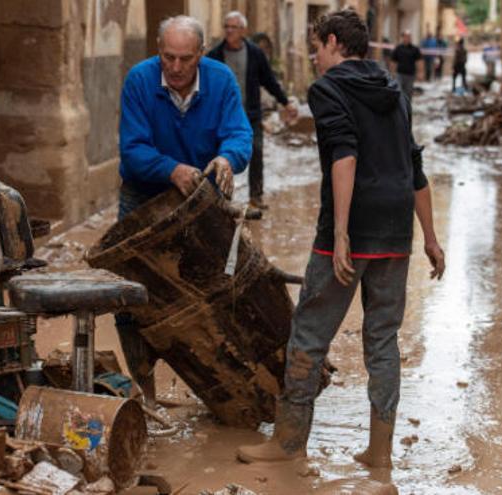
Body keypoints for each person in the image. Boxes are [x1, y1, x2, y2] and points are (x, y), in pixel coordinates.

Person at [236, 9, 445, 467]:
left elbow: (344, 156)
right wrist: (430, 236)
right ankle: (380, 453)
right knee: (383, 340)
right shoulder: (393, 88)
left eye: (316, 47)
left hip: (350, 228)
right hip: (395, 230)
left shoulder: (328, 89)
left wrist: (342, 233)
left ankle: (288, 443)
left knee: (309, 334)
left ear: (334, 42)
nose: (313, 57)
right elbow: (414, 165)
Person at [118, 15, 252, 405]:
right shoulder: (140, 80)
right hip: (143, 197)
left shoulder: (221, 80)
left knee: (215, 288)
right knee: (131, 296)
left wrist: (228, 158)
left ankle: (217, 388)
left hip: (202, 200)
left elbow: (240, 134)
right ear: (159, 52)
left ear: (200, 54)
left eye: (185, 59)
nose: (175, 68)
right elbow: (132, 149)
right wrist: (170, 169)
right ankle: (145, 391)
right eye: (168, 58)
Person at [208, 11, 298, 211]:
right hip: (222, 117)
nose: (229, 31)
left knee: (256, 152)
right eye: (227, 27)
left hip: (250, 114)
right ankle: (219, 199)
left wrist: (286, 102)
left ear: (243, 30)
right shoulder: (214, 56)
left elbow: (269, 81)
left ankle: (255, 197)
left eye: (234, 27)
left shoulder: (255, 53)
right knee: (221, 156)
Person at [390, 30, 422, 99]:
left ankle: (407, 108)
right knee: (399, 92)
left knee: (408, 93)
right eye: (406, 36)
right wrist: (392, 72)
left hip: (410, 75)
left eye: (409, 37)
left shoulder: (415, 49)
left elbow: (419, 61)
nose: (407, 38)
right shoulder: (398, 48)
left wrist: (420, 72)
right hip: (400, 74)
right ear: (403, 37)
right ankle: (400, 108)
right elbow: (393, 61)